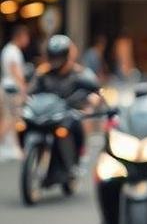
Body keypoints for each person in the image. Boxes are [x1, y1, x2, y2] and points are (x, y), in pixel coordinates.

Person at [29, 35, 99, 171]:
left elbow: (95, 91)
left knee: (77, 124)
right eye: (53, 56)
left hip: (68, 112)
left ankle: (79, 158)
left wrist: (91, 102)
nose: (56, 61)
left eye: (59, 56)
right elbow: (31, 91)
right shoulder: (43, 72)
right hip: (45, 114)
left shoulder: (79, 73)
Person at [1, 25, 31, 161]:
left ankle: (13, 147)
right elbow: (15, 71)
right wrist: (24, 88)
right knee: (10, 118)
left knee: (10, 118)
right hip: (12, 89)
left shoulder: (7, 49)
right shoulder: (13, 51)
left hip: (7, 87)